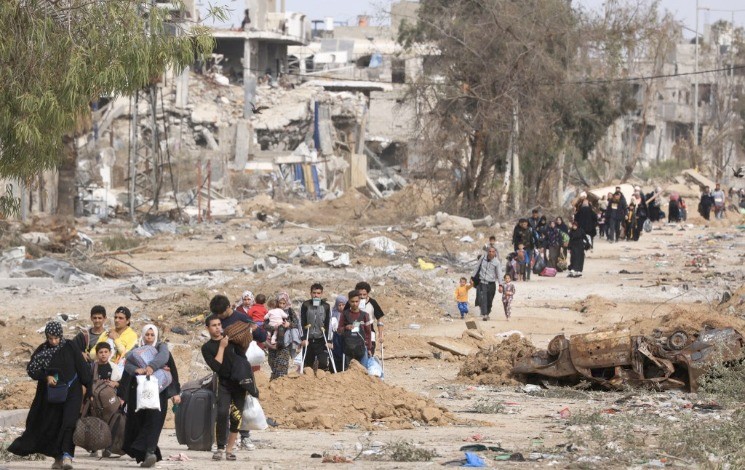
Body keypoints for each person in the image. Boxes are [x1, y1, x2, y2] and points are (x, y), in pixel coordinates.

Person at [8, 321, 92, 470]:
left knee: (69, 423)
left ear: (61, 335)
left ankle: (67, 456)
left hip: (72, 392)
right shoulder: (42, 350)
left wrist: (90, 391)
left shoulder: (70, 347)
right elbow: (32, 369)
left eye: (56, 338)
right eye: (50, 338)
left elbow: (82, 368)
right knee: (53, 425)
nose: (53, 341)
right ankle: (58, 457)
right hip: (52, 395)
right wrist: (46, 376)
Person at [119, 324, 180, 468]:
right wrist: (137, 370)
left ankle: (150, 452)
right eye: (147, 334)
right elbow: (127, 365)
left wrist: (152, 367)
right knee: (139, 422)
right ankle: (146, 455)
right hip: (138, 393)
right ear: (143, 335)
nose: (149, 337)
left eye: (152, 335)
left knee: (154, 422)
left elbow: (165, 359)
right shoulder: (136, 350)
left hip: (158, 393)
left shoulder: (161, 347)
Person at [201, 314, 256, 462]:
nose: (217, 328)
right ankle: (220, 448)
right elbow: (216, 366)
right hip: (224, 384)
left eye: (219, 325)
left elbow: (244, 354)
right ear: (207, 328)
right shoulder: (207, 347)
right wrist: (222, 347)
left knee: (236, 416)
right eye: (214, 325)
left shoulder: (232, 340)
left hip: (239, 384)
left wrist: (249, 332)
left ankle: (229, 450)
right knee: (222, 413)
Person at [337, 290, 372, 370]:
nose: (355, 304)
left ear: (359, 301)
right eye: (352, 301)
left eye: (356, 301)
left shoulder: (365, 315)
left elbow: (368, 333)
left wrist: (369, 348)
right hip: (348, 349)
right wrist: (346, 327)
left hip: (361, 348)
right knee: (348, 372)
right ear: (349, 301)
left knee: (363, 371)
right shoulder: (344, 314)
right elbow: (339, 330)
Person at [300, 283, 333, 370]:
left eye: (318, 293)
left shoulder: (326, 306)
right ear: (310, 293)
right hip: (309, 339)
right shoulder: (306, 305)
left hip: (321, 339)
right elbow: (301, 322)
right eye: (314, 293)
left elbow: (329, 324)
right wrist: (303, 339)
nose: (316, 295)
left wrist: (329, 340)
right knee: (307, 366)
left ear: (321, 294)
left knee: (323, 364)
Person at [472, 246, 504, 321]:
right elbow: (477, 267)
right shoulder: (482, 258)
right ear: (487, 252)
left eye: (493, 252)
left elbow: (499, 273)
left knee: (489, 300)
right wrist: (472, 278)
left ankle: (487, 312)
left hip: (491, 283)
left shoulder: (496, 262)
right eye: (490, 251)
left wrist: (500, 285)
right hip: (482, 282)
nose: (491, 253)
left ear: (495, 253)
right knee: (483, 299)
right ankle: (485, 314)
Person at [354, 282, 385, 355]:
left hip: (369, 328)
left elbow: (379, 318)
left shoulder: (372, 303)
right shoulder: (352, 302)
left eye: (364, 294)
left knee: (369, 352)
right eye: (360, 294)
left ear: (367, 293)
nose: (362, 296)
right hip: (356, 326)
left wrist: (380, 334)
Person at [328, 294, 347, 373]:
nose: (341, 307)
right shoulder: (333, 314)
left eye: (343, 305)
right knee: (336, 355)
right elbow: (330, 327)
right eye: (339, 305)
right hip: (336, 338)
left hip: (346, 337)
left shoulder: (348, 314)